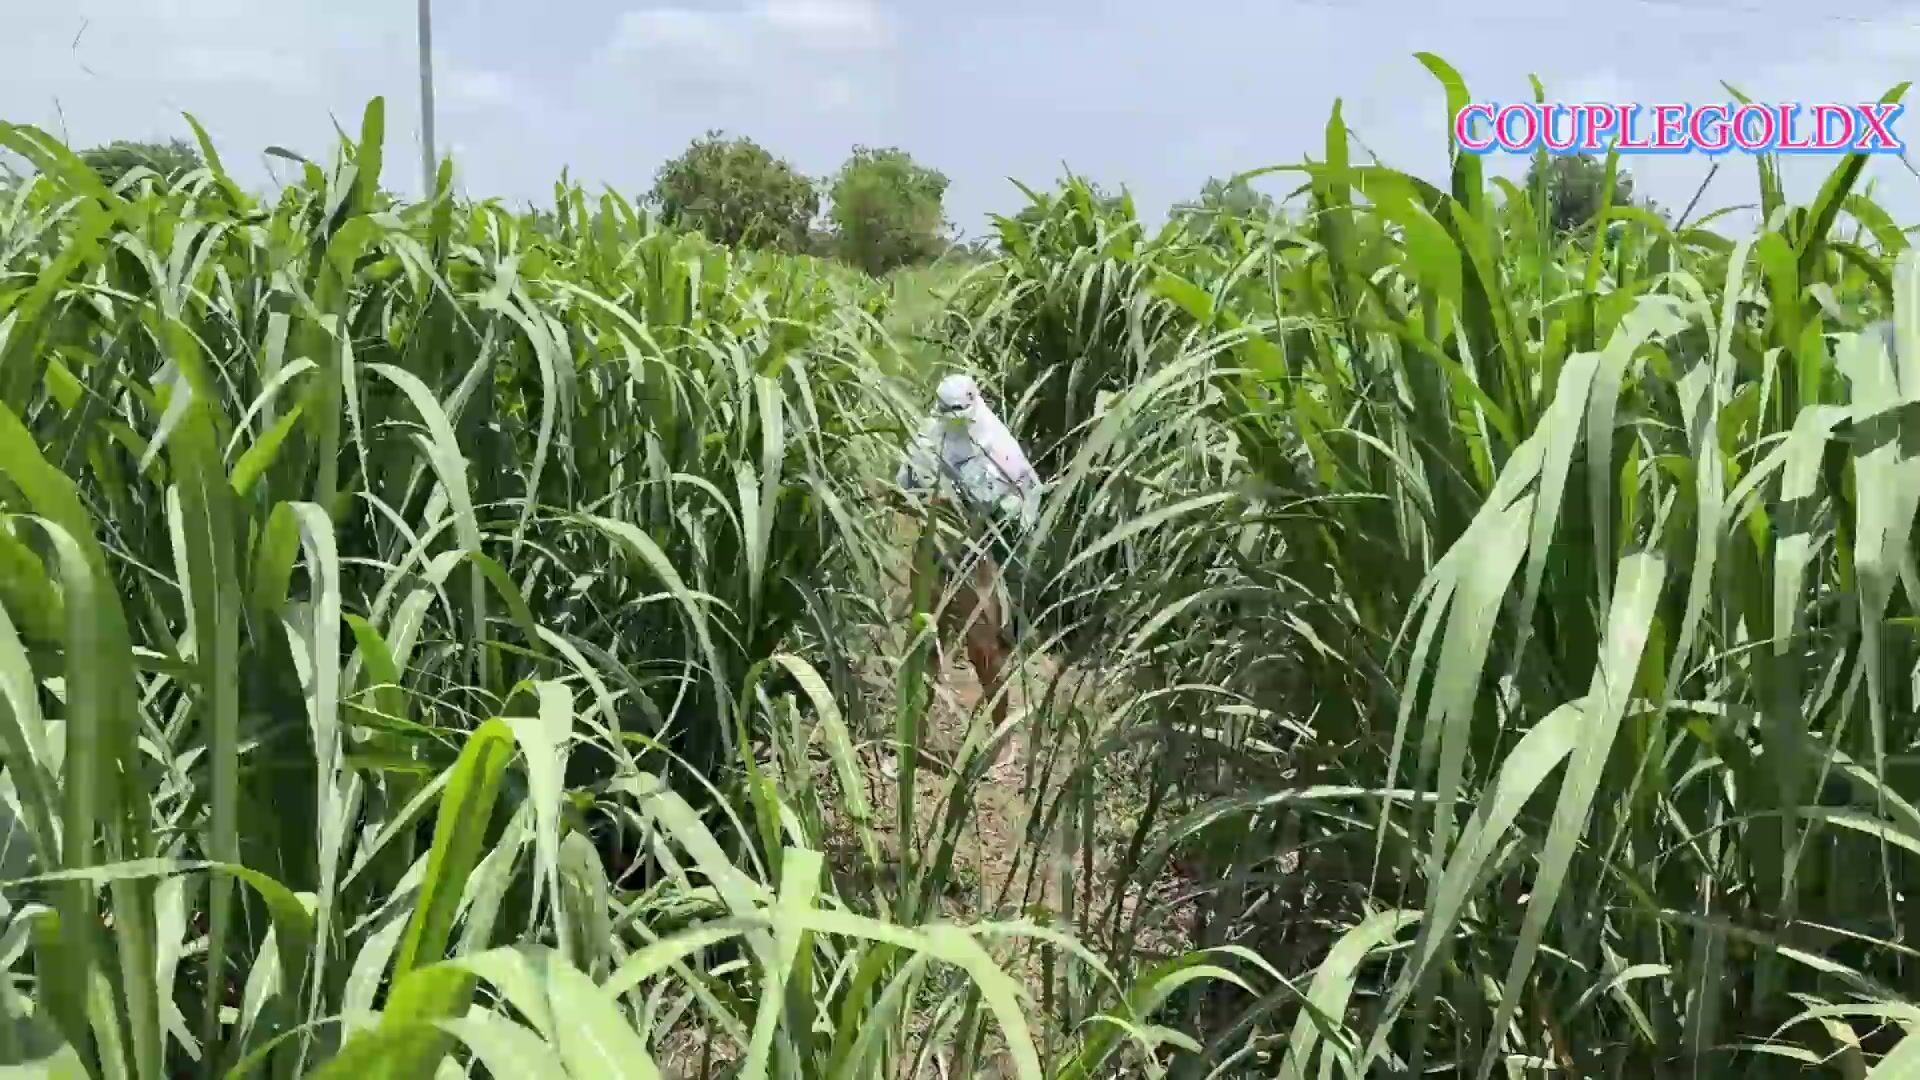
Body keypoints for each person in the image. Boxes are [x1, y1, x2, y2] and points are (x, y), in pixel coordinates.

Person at [894, 373, 1041, 771]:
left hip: (975, 559)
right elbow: (903, 485)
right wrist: (924, 499)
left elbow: (1025, 499)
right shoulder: (930, 436)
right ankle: (911, 743)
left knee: (984, 651)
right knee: (922, 647)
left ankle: (1003, 740)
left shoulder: (995, 443)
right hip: (931, 553)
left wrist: (988, 511)